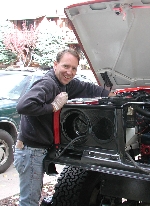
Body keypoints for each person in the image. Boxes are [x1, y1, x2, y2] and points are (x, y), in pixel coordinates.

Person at [14, 48, 115, 206]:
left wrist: (111, 95)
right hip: (30, 151)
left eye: (74, 68)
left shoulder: (65, 84)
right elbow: (23, 106)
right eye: (66, 66)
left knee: (32, 198)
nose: (70, 72)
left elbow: (87, 88)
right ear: (55, 65)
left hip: (36, 150)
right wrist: (53, 107)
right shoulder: (48, 83)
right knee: (29, 202)